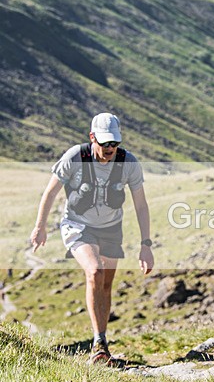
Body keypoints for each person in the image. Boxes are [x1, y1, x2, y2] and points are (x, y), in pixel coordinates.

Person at [30, 113, 155, 364]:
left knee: (106, 285)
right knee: (95, 271)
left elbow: (141, 205)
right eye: (105, 142)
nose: (110, 149)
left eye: (115, 143)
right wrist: (40, 226)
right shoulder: (75, 157)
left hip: (111, 227)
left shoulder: (128, 162)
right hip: (78, 225)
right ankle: (98, 341)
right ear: (92, 137)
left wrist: (146, 244)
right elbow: (51, 191)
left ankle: (101, 342)